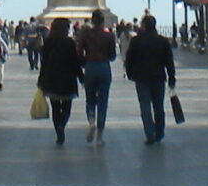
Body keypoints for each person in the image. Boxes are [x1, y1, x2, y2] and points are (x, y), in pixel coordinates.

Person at [122, 13, 177, 145]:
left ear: (143, 26)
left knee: (145, 106)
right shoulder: (163, 41)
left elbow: (129, 59)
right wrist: (171, 77)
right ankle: (159, 131)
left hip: (141, 78)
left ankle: (150, 133)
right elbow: (169, 61)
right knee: (159, 106)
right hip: (158, 78)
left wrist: (130, 73)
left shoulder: (136, 41)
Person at [36, 19, 84, 145]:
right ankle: (61, 125)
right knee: (67, 108)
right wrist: (81, 77)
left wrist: (41, 79)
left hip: (52, 79)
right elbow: (75, 62)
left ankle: (59, 132)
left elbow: (44, 63)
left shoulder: (48, 42)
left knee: (55, 108)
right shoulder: (70, 43)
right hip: (68, 80)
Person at [76, 14, 119, 144]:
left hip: (90, 66)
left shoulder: (85, 34)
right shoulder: (109, 35)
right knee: (103, 101)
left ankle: (91, 122)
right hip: (104, 67)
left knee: (90, 99)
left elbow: (79, 52)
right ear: (103, 21)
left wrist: (84, 63)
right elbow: (112, 56)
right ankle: (100, 135)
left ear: (92, 21)